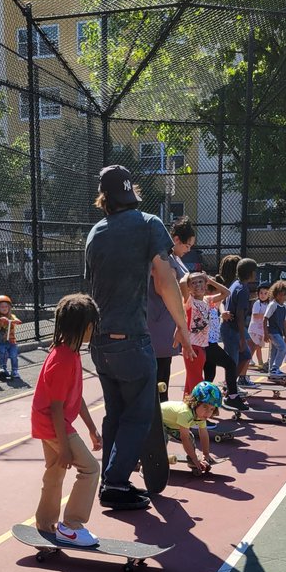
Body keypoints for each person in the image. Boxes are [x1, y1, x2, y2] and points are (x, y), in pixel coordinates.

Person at [86, 164, 193, 512]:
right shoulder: (149, 223)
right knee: (140, 414)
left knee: (115, 413)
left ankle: (110, 480)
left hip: (100, 343)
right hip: (132, 339)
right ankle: (116, 483)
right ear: (133, 193)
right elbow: (165, 282)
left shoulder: (94, 232)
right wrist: (183, 328)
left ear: (105, 199)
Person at [31, 294, 102, 547]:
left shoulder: (69, 352)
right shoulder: (62, 359)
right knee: (91, 469)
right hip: (54, 425)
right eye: (91, 324)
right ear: (82, 326)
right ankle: (71, 526)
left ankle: (44, 523)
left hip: (47, 423)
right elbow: (57, 408)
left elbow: (75, 397)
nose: (93, 329)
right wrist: (64, 447)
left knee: (55, 474)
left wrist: (92, 428)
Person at [148, 223, 191, 400]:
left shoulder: (174, 259)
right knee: (159, 374)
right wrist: (185, 294)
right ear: (176, 240)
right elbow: (163, 287)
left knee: (163, 371)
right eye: (187, 245)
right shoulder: (164, 259)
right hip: (160, 321)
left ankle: (161, 418)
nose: (188, 250)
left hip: (168, 320)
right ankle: (159, 420)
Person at [160, 381, 223, 475]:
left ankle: (191, 461)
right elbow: (184, 438)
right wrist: (195, 458)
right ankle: (150, 460)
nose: (208, 413)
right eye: (205, 407)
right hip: (155, 420)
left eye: (212, 409)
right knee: (161, 438)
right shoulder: (185, 413)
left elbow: (204, 434)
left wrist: (206, 454)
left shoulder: (200, 415)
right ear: (195, 402)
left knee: (190, 437)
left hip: (169, 425)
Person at [202, 274, 245, 411]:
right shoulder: (205, 302)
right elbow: (225, 292)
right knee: (230, 364)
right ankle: (232, 396)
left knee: (209, 375)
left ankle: (204, 403)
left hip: (211, 342)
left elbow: (225, 293)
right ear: (209, 292)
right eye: (215, 291)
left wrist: (211, 282)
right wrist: (208, 282)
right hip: (206, 344)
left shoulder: (212, 303)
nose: (218, 295)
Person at [221, 256, 258, 388]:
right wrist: (242, 337)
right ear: (250, 273)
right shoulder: (242, 289)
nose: (256, 274)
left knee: (246, 355)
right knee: (233, 361)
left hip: (232, 329)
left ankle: (231, 384)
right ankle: (229, 388)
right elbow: (240, 315)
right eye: (255, 271)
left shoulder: (236, 285)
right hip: (232, 330)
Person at [179, 270, 216, 398]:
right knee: (196, 382)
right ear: (189, 288)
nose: (197, 285)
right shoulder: (190, 301)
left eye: (200, 282)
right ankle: (198, 411)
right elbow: (182, 283)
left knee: (191, 381)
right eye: (193, 283)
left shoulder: (207, 301)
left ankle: (187, 407)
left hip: (201, 347)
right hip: (192, 346)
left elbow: (226, 293)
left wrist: (209, 280)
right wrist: (186, 274)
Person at [264, 279, 286, 380]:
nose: (281, 297)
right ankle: (275, 368)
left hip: (279, 332)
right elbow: (265, 318)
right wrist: (265, 333)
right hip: (272, 332)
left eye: (284, 295)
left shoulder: (284, 306)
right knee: (283, 348)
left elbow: (284, 321)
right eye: (279, 294)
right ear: (275, 294)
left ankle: (271, 372)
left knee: (274, 351)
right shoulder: (273, 305)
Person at [0, 294, 22, 381]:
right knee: (3, 355)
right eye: (2, 307)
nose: (4, 308)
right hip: (2, 342)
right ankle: (3, 368)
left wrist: (16, 321)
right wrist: (2, 321)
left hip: (12, 341)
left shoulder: (12, 316)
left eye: (6, 306)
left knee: (13, 355)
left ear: (9, 307)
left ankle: (15, 370)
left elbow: (16, 319)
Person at [248, 283, 270, 369]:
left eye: (265, 293)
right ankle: (250, 360)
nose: (263, 295)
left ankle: (259, 362)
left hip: (262, 330)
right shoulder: (257, 303)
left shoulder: (268, 304)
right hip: (255, 329)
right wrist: (266, 315)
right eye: (261, 293)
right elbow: (255, 315)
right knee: (256, 346)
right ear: (258, 294)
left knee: (258, 347)